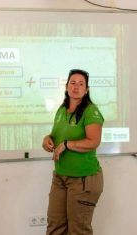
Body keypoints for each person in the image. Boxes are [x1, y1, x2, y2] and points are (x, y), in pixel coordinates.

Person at [42, 69, 104, 235]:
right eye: (72, 83)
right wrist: (47, 138)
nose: (76, 87)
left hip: (82, 179)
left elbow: (94, 141)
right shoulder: (62, 110)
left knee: (78, 231)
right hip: (60, 177)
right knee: (54, 228)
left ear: (86, 90)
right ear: (66, 86)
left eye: (81, 84)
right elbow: (57, 137)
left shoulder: (91, 111)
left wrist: (68, 144)